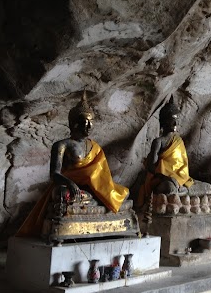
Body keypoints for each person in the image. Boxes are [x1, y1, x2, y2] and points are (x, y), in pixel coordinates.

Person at [17, 91, 129, 236]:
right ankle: (92, 203)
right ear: (74, 124)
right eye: (85, 122)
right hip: (71, 187)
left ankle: (96, 201)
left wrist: (100, 189)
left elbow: (102, 177)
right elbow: (54, 174)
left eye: (91, 122)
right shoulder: (62, 145)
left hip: (92, 188)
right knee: (62, 194)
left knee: (125, 193)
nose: (89, 126)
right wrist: (70, 183)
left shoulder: (95, 147)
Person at [136, 96, 194, 207]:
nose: (175, 124)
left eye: (176, 120)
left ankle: (179, 188)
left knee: (205, 186)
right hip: (162, 178)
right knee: (169, 188)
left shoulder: (179, 140)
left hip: (180, 177)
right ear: (164, 122)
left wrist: (176, 177)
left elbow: (183, 165)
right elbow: (151, 167)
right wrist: (165, 175)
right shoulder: (158, 141)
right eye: (172, 120)